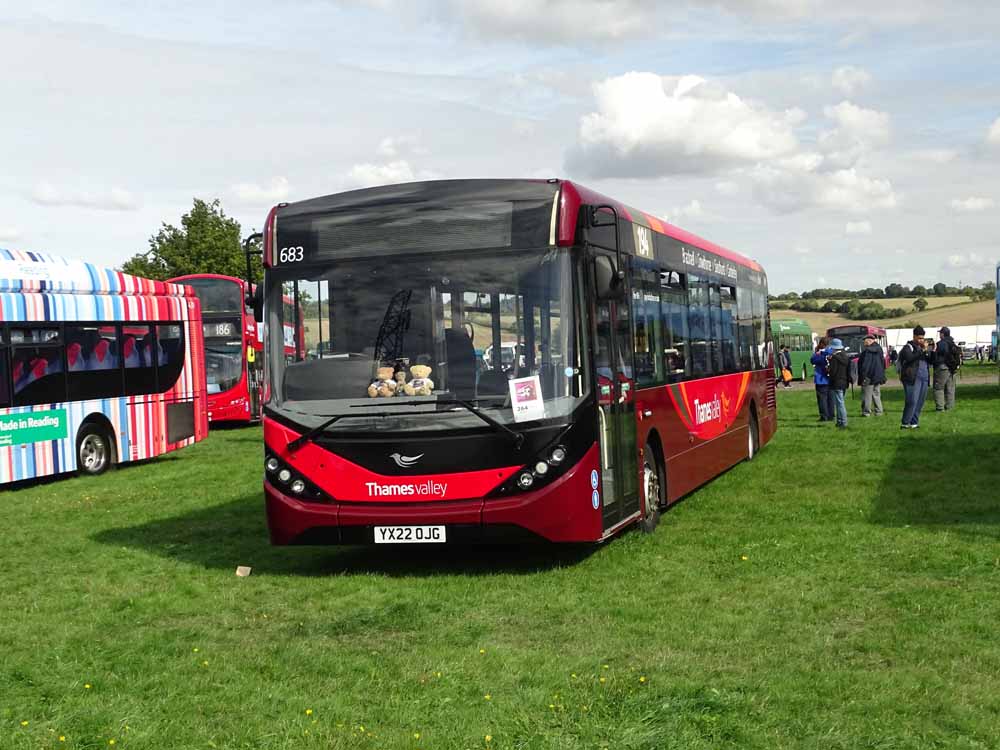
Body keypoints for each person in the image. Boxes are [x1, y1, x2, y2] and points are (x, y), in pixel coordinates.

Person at [898, 325, 933, 429]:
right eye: (919, 338)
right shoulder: (908, 347)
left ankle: (914, 422)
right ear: (914, 336)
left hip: (924, 377)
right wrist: (921, 351)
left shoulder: (923, 349)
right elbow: (909, 358)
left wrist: (932, 351)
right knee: (912, 400)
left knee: (920, 401)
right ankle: (905, 423)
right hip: (912, 377)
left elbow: (931, 361)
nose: (921, 340)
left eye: (922, 338)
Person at [857, 332, 886, 417]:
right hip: (878, 375)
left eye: (865, 341)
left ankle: (866, 412)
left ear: (869, 341)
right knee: (876, 393)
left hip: (868, 376)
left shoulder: (867, 351)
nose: (864, 343)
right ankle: (879, 411)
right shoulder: (879, 349)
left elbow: (865, 365)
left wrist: (863, 376)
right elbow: (882, 362)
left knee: (866, 395)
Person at [826, 338, 852, 428]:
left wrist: (828, 369)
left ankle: (843, 421)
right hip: (844, 381)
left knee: (839, 403)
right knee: (840, 402)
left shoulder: (834, 358)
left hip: (836, 381)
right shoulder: (845, 356)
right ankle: (840, 421)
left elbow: (833, 372)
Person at [933, 325, 960, 411]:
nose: (939, 335)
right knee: (950, 388)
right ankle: (950, 407)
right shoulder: (952, 343)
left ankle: (940, 408)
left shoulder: (941, 343)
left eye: (940, 333)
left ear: (942, 334)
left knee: (938, 388)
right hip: (952, 368)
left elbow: (938, 355)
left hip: (943, 367)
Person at [810, 336, 834, 422]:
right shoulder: (832, 352)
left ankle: (824, 416)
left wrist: (817, 352)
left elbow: (812, 360)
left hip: (821, 379)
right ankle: (831, 415)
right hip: (831, 378)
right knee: (831, 398)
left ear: (821, 344)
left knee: (822, 399)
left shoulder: (820, 354)